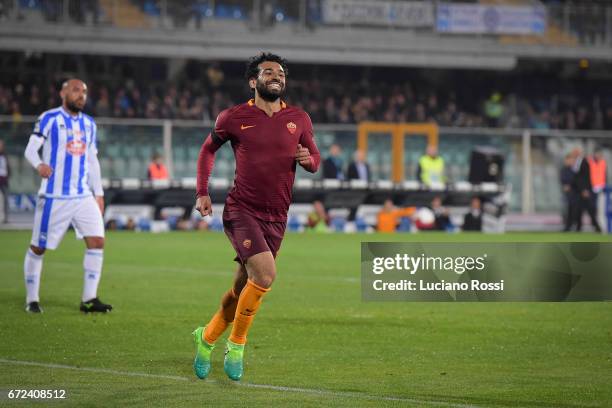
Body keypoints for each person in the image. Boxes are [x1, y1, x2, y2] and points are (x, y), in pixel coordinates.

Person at [192, 52, 320, 381]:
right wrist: (202, 191)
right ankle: (236, 345)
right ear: (254, 81)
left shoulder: (299, 118)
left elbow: (315, 159)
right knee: (264, 275)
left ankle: (205, 339)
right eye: (268, 72)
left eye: (280, 73)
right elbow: (208, 149)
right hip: (241, 210)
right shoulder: (233, 117)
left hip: (277, 216)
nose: (276, 76)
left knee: (240, 290)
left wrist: (307, 160)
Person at [22, 79, 112, 314]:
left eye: (84, 91)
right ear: (63, 93)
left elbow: (92, 161)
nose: (81, 95)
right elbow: (30, 149)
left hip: (82, 195)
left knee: (97, 241)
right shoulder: (49, 118)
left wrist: (98, 193)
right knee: (38, 247)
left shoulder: (89, 124)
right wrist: (39, 164)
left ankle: (89, 299)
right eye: (75, 90)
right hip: (54, 196)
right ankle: (32, 299)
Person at [571, 147, 601, 232]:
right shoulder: (577, 162)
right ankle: (579, 227)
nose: (574, 154)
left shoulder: (584, 162)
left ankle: (597, 226)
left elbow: (586, 177)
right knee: (579, 209)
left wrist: (585, 189)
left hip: (584, 190)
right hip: (578, 191)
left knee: (589, 209)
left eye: (575, 152)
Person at [587, 147, 607, 231]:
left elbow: (605, 175)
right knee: (592, 208)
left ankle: (601, 227)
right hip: (592, 188)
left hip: (601, 188)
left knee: (601, 209)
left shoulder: (603, 162)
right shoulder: (590, 162)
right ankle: (596, 225)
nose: (598, 155)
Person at [560, 153, 577, 231]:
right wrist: (565, 185)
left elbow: (576, 180)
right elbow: (562, 179)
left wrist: (570, 185)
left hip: (574, 193)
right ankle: (567, 226)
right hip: (567, 193)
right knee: (566, 210)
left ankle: (573, 225)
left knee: (574, 210)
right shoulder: (563, 169)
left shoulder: (575, 169)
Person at [0, 139, 9, 223]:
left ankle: (5, 218)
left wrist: (8, 176)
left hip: (4, 180)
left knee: (5, 200)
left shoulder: (5, 156)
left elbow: (7, 167)